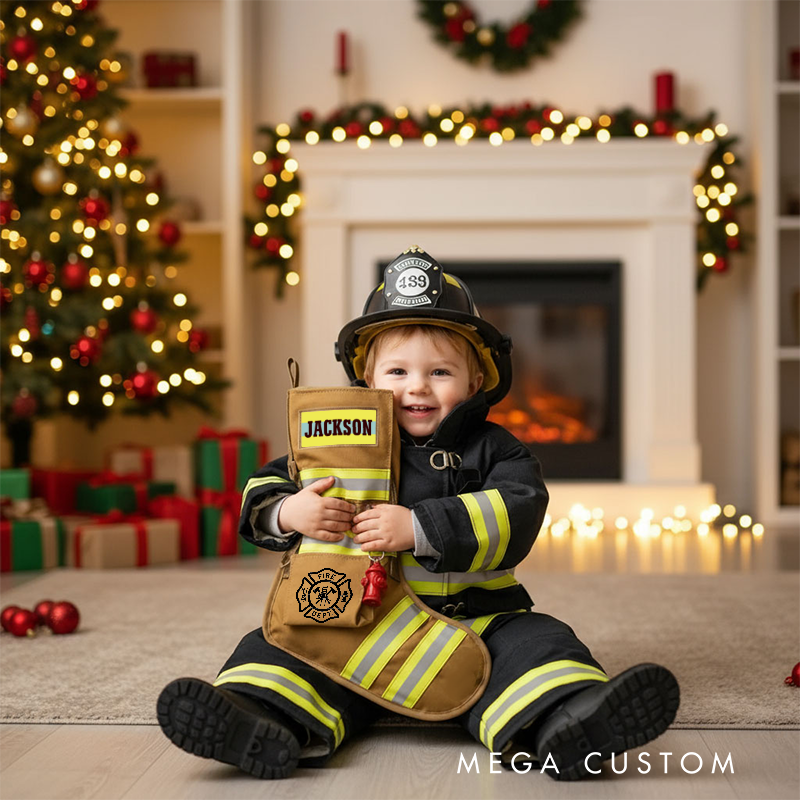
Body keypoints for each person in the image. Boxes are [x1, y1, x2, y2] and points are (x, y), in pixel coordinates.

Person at [157, 246, 679, 781]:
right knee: (277, 647)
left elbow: (521, 508)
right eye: (398, 370)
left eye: (440, 371)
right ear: (366, 377)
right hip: (350, 627)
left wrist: (419, 527)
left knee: (540, 643)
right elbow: (266, 483)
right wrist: (290, 511)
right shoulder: (336, 440)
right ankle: (252, 717)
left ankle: (571, 721)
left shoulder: (496, 449)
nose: (417, 386)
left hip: (475, 622)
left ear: (476, 381)